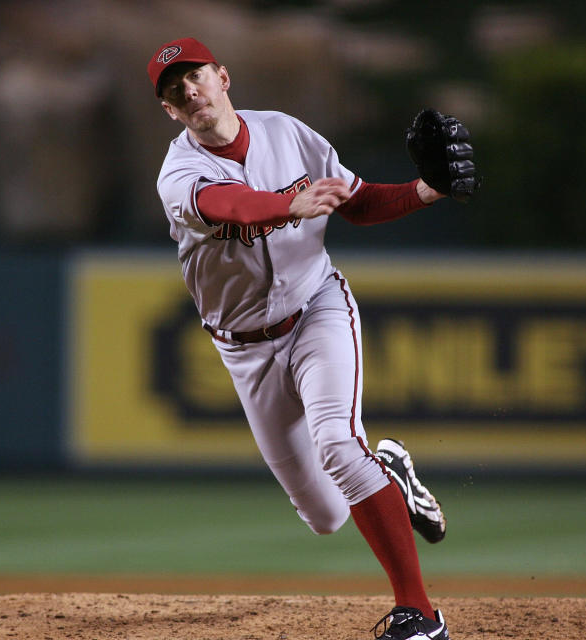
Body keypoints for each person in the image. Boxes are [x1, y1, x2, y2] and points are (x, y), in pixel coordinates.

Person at [150, 37, 452, 640]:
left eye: (196, 76)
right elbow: (230, 204)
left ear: (223, 77)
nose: (188, 89)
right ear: (170, 111)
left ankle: (419, 612)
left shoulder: (285, 132)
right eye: (173, 88)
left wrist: (426, 190)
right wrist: (291, 203)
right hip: (244, 349)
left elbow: (357, 202)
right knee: (323, 517)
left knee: (339, 444)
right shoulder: (179, 173)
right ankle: (390, 470)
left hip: (316, 309)